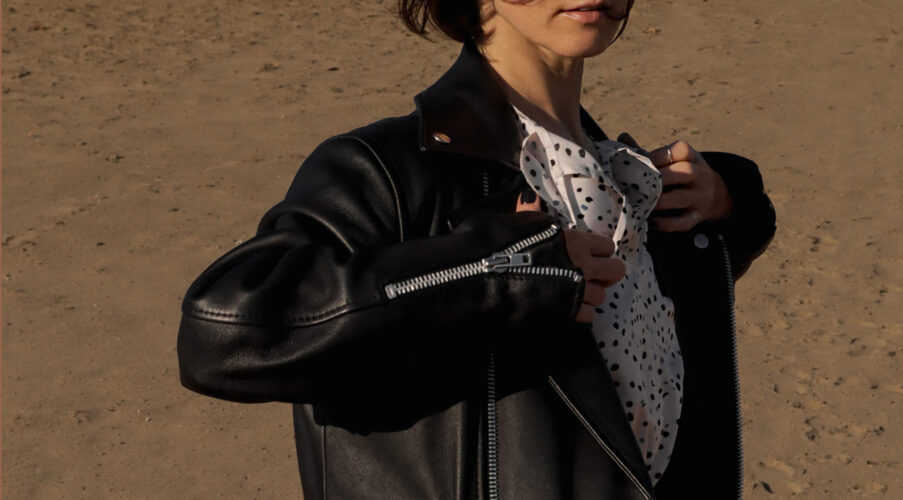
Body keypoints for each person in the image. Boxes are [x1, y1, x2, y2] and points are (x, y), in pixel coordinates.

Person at [177, 0, 776, 498]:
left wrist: (729, 206)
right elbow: (222, 336)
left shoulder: (623, 179)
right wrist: (490, 270)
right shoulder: (387, 171)